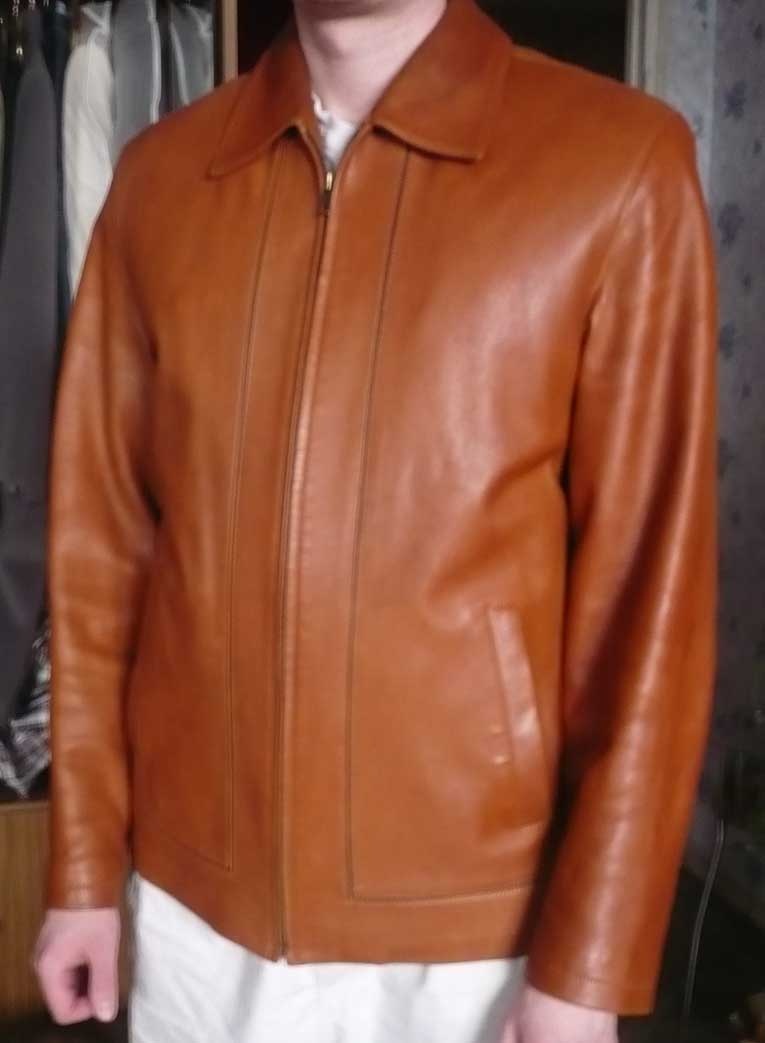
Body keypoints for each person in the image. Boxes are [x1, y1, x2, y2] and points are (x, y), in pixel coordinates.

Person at [33, 0, 718, 1040]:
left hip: (471, 944)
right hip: (191, 920)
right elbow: (101, 557)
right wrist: (83, 867)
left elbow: (649, 605)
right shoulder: (159, 179)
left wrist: (589, 961)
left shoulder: (617, 164)